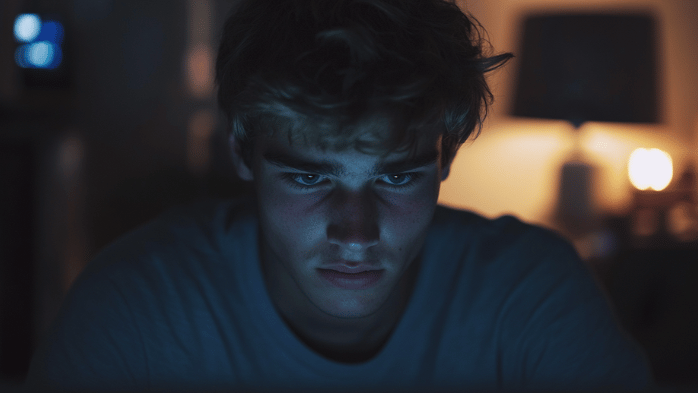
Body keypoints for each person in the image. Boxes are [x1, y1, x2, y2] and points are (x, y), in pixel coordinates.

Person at [26, 0, 652, 391]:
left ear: (446, 159)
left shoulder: (531, 296)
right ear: (244, 152)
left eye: (396, 176)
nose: (356, 232)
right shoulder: (134, 314)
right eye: (309, 177)